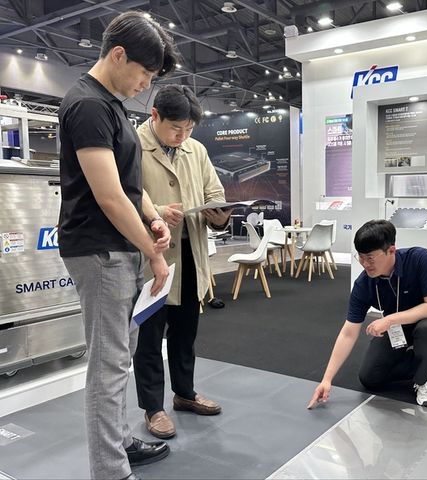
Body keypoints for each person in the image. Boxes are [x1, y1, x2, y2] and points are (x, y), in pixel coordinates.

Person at [58, 12, 179, 480]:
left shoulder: (110, 105)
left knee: (119, 358)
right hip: (99, 250)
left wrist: (152, 218)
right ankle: (110, 469)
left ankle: (120, 441)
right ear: (118, 55)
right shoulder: (88, 105)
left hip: (117, 248)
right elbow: (108, 196)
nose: (145, 86)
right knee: (107, 367)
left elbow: (129, 185)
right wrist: (153, 252)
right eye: (144, 74)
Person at [133, 84, 231, 439]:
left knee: (185, 331)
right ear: (155, 115)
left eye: (189, 129)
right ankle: (153, 408)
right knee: (149, 335)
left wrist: (219, 215)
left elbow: (214, 193)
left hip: (190, 254)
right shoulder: (132, 145)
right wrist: (158, 211)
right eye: (177, 128)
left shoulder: (196, 150)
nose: (183, 136)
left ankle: (185, 393)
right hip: (152, 256)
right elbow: (125, 196)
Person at [308, 220, 427, 408]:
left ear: (391, 250)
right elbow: (348, 333)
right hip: (398, 327)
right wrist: (326, 379)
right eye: (361, 257)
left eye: (370, 258)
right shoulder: (363, 284)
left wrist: (390, 319)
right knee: (370, 377)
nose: (365, 264)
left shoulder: (419, 259)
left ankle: (424, 376)